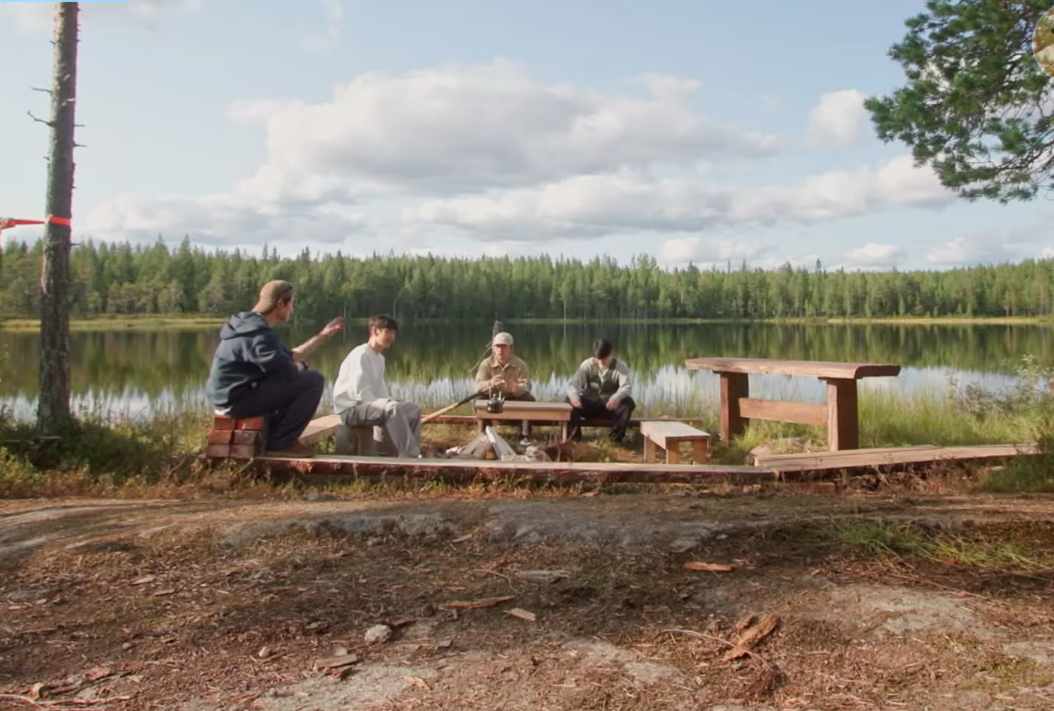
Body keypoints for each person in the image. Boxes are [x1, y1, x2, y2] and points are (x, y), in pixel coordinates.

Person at [205, 280, 344, 458]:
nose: (291, 309)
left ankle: (275, 434)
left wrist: (322, 336)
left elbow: (290, 356)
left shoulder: (249, 326)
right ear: (280, 304)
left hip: (230, 398)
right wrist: (302, 366)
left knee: (289, 379)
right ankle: (281, 443)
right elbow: (287, 372)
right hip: (235, 402)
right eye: (291, 303)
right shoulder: (258, 334)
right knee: (313, 381)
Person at [332, 314, 423, 458]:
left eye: (393, 333)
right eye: (388, 332)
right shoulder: (361, 354)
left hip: (367, 407)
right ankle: (410, 455)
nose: (392, 337)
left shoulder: (380, 358)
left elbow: (381, 390)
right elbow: (360, 393)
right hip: (350, 410)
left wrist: (389, 403)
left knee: (413, 409)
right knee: (391, 409)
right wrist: (386, 406)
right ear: (375, 331)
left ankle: (406, 451)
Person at [566, 337, 636, 443]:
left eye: (604, 358)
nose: (601, 362)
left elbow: (626, 386)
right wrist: (574, 397)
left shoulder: (620, 366)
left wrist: (617, 397)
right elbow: (574, 384)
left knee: (628, 403)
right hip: (589, 406)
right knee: (568, 401)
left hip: (609, 407)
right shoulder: (587, 365)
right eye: (598, 359)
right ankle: (574, 437)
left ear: (610, 354)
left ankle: (615, 439)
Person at [474, 331, 533, 441]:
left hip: (513, 397)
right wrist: (490, 383)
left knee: (529, 399)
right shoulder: (486, 364)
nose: (500, 350)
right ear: (493, 349)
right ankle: (485, 434)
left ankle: (525, 435)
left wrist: (516, 389)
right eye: (497, 347)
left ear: (511, 349)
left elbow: (527, 386)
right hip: (492, 398)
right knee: (478, 399)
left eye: (504, 347)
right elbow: (478, 386)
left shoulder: (520, 365)